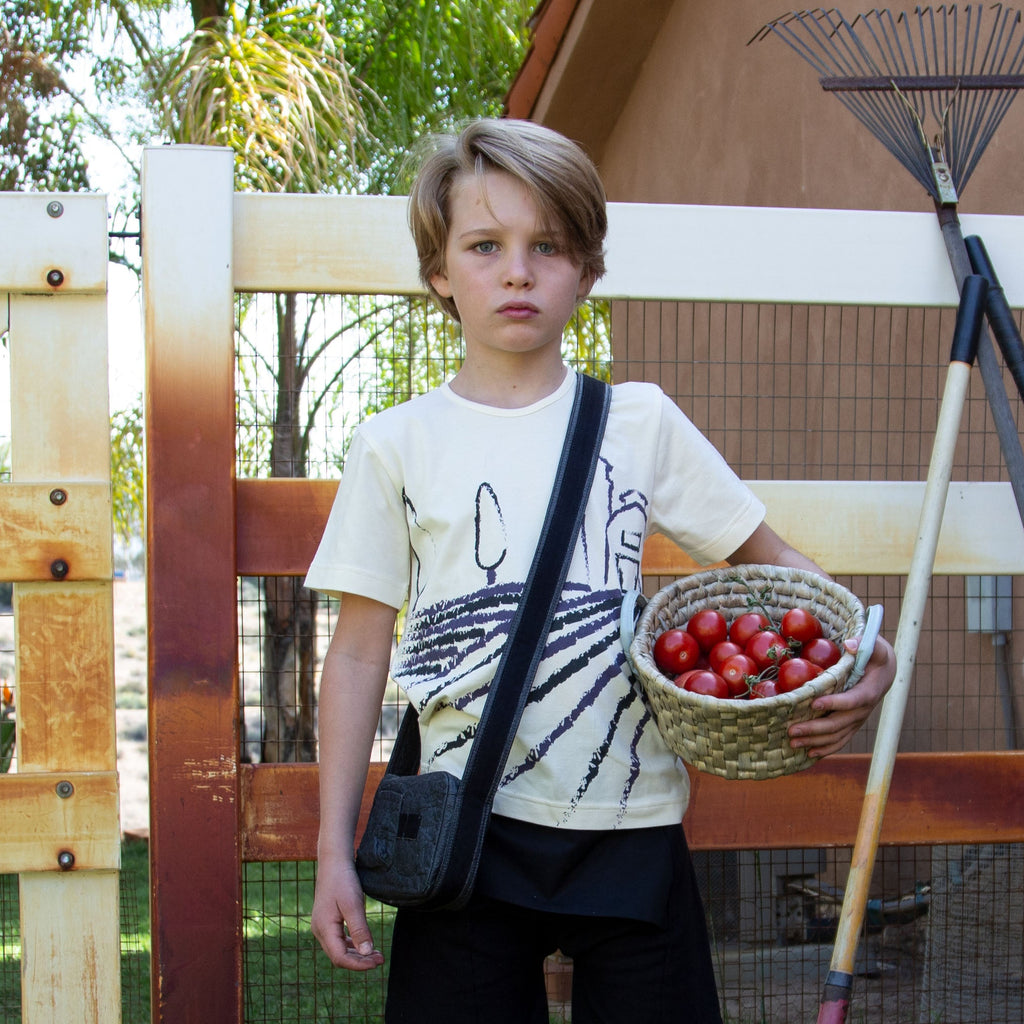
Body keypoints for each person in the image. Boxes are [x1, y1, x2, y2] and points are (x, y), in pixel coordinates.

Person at [307, 118, 896, 1023]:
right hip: (465, 830)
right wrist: (332, 852)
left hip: (632, 826)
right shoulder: (395, 444)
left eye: (547, 246)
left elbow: (776, 567)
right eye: (485, 246)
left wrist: (863, 652)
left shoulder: (640, 424)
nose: (517, 271)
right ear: (439, 272)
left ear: (586, 270)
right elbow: (356, 654)